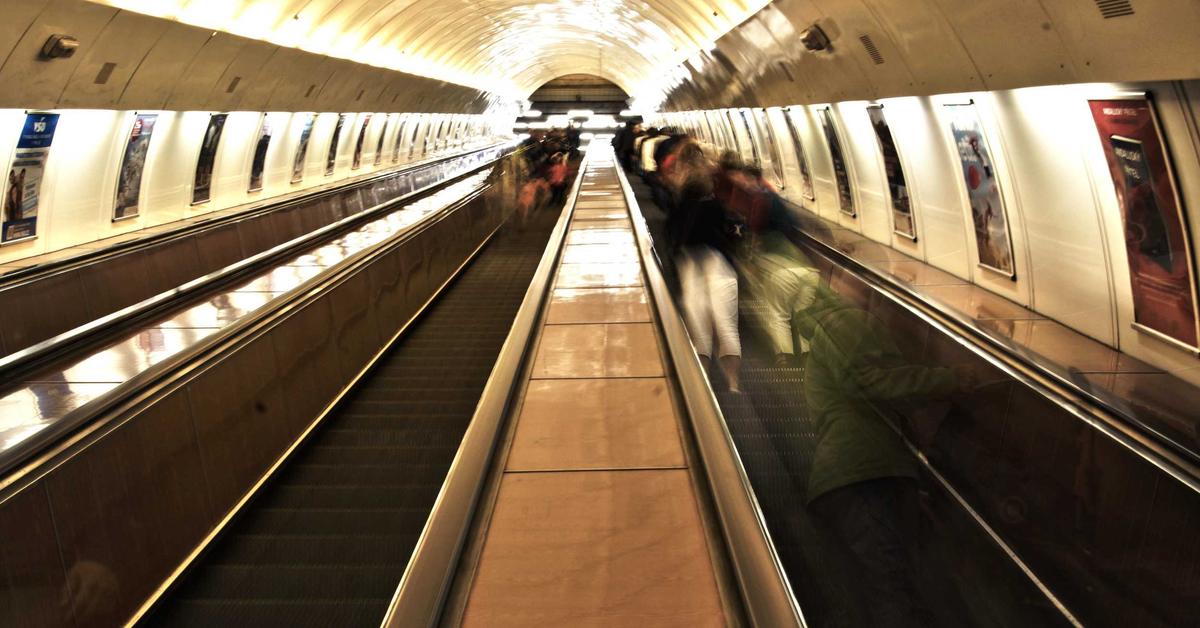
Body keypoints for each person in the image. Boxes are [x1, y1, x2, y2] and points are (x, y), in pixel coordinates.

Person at [797, 284, 970, 628]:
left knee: (889, 587)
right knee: (890, 588)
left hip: (868, 473)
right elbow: (869, 382)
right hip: (861, 475)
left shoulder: (845, 327)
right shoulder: (848, 321)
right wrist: (953, 379)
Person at [665, 144, 743, 392]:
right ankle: (733, 385)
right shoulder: (718, 206)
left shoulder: (681, 209)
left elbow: (672, 238)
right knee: (727, 326)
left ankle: (703, 387)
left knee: (699, 329)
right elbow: (731, 233)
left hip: (691, 265)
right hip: (719, 265)